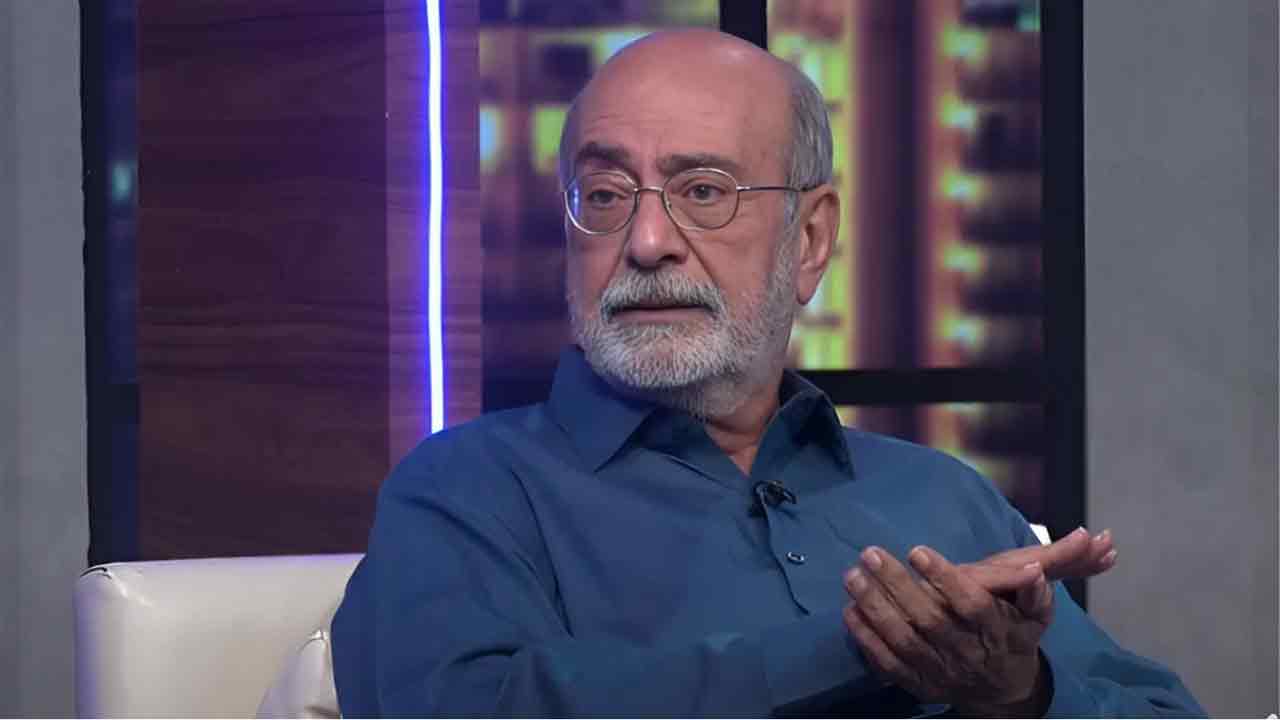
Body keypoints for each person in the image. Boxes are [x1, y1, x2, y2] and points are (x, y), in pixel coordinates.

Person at [332, 29, 1204, 717]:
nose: (646, 242)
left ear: (811, 241)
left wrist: (1019, 695)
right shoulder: (468, 491)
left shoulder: (942, 497)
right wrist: (864, 649)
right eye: (605, 195)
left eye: (704, 191)